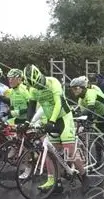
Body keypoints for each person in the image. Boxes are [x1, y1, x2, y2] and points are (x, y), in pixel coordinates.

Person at [23, 64, 90, 192]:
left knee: (69, 150)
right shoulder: (33, 90)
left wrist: (52, 121)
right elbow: (31, 108)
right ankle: (54, 181)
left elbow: (58, 103)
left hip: (64, 117)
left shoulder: (53, 82)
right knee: (49, 151)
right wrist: (27, 123)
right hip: (51, 119)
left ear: (41, 77)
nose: (38, 87)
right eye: (35, 86)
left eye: (38, 84)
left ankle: (84, 176)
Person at [70, 76, 104, 143]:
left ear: (82, 87)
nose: (74, 91)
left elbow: (90, 109)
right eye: (72, 89)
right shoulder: (80, 100)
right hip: (100, 114)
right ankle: (100, 153)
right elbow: (85, 115)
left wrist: (78, 115)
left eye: (76, 88)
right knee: (97, 138)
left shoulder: (90, 93)